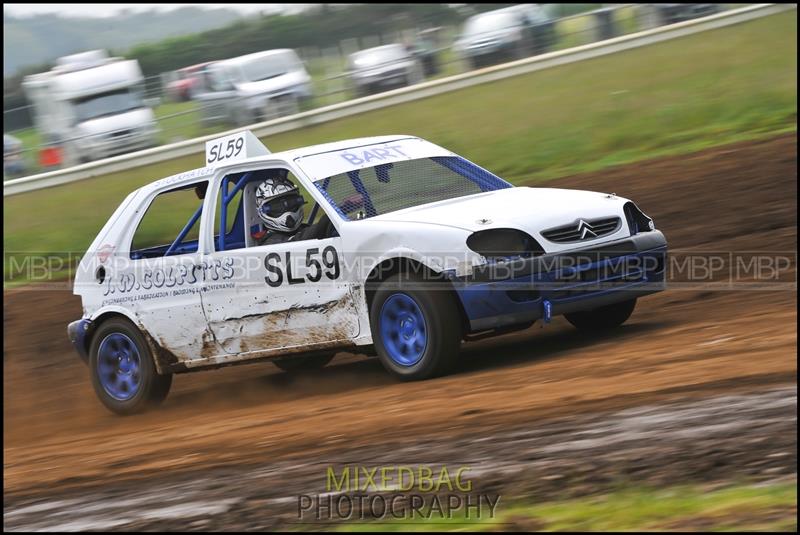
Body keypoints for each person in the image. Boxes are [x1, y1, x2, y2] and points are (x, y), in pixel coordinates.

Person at [251, 171, 307, 245]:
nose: (287, 213)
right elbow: (293, 242)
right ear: (262, 210)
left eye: (291, 203)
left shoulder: (304, 229)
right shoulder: (269, 242)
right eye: (277, 207)